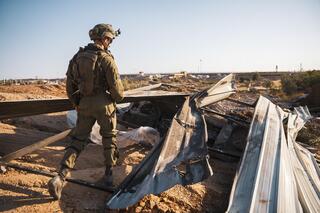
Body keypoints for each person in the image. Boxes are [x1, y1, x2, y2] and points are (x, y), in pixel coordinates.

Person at [48, 23, 124, 200]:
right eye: (109, 40)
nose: (110, 43)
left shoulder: (77, 57)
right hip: (104, 105)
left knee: (78, 140)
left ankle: (60, 176)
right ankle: (108, 176)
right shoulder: (107, 59)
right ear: (104, 38)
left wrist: (77, 103)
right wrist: (113, 98)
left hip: (84, 105)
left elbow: (69, 86)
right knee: (109, 138)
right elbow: (118, 93)